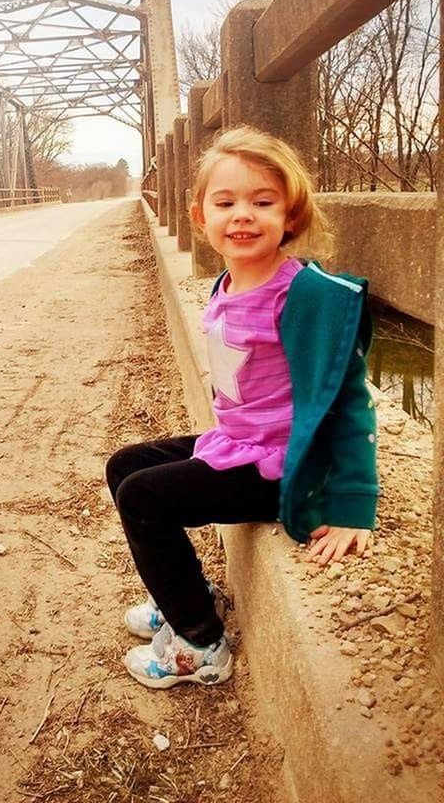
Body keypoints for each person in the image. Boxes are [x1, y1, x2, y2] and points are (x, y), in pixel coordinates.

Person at [106, 125, 379, 690]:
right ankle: (181, 592)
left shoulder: (301, 296)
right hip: (237, 444)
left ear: (292, 215)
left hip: (280, 466)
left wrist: (353, 502)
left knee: (144, 498)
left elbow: (349, 400)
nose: (243, 216)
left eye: (263, 202)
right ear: (199, 217)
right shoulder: (227, 283)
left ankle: (201, 643)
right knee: (125, 464)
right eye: (225, 202)